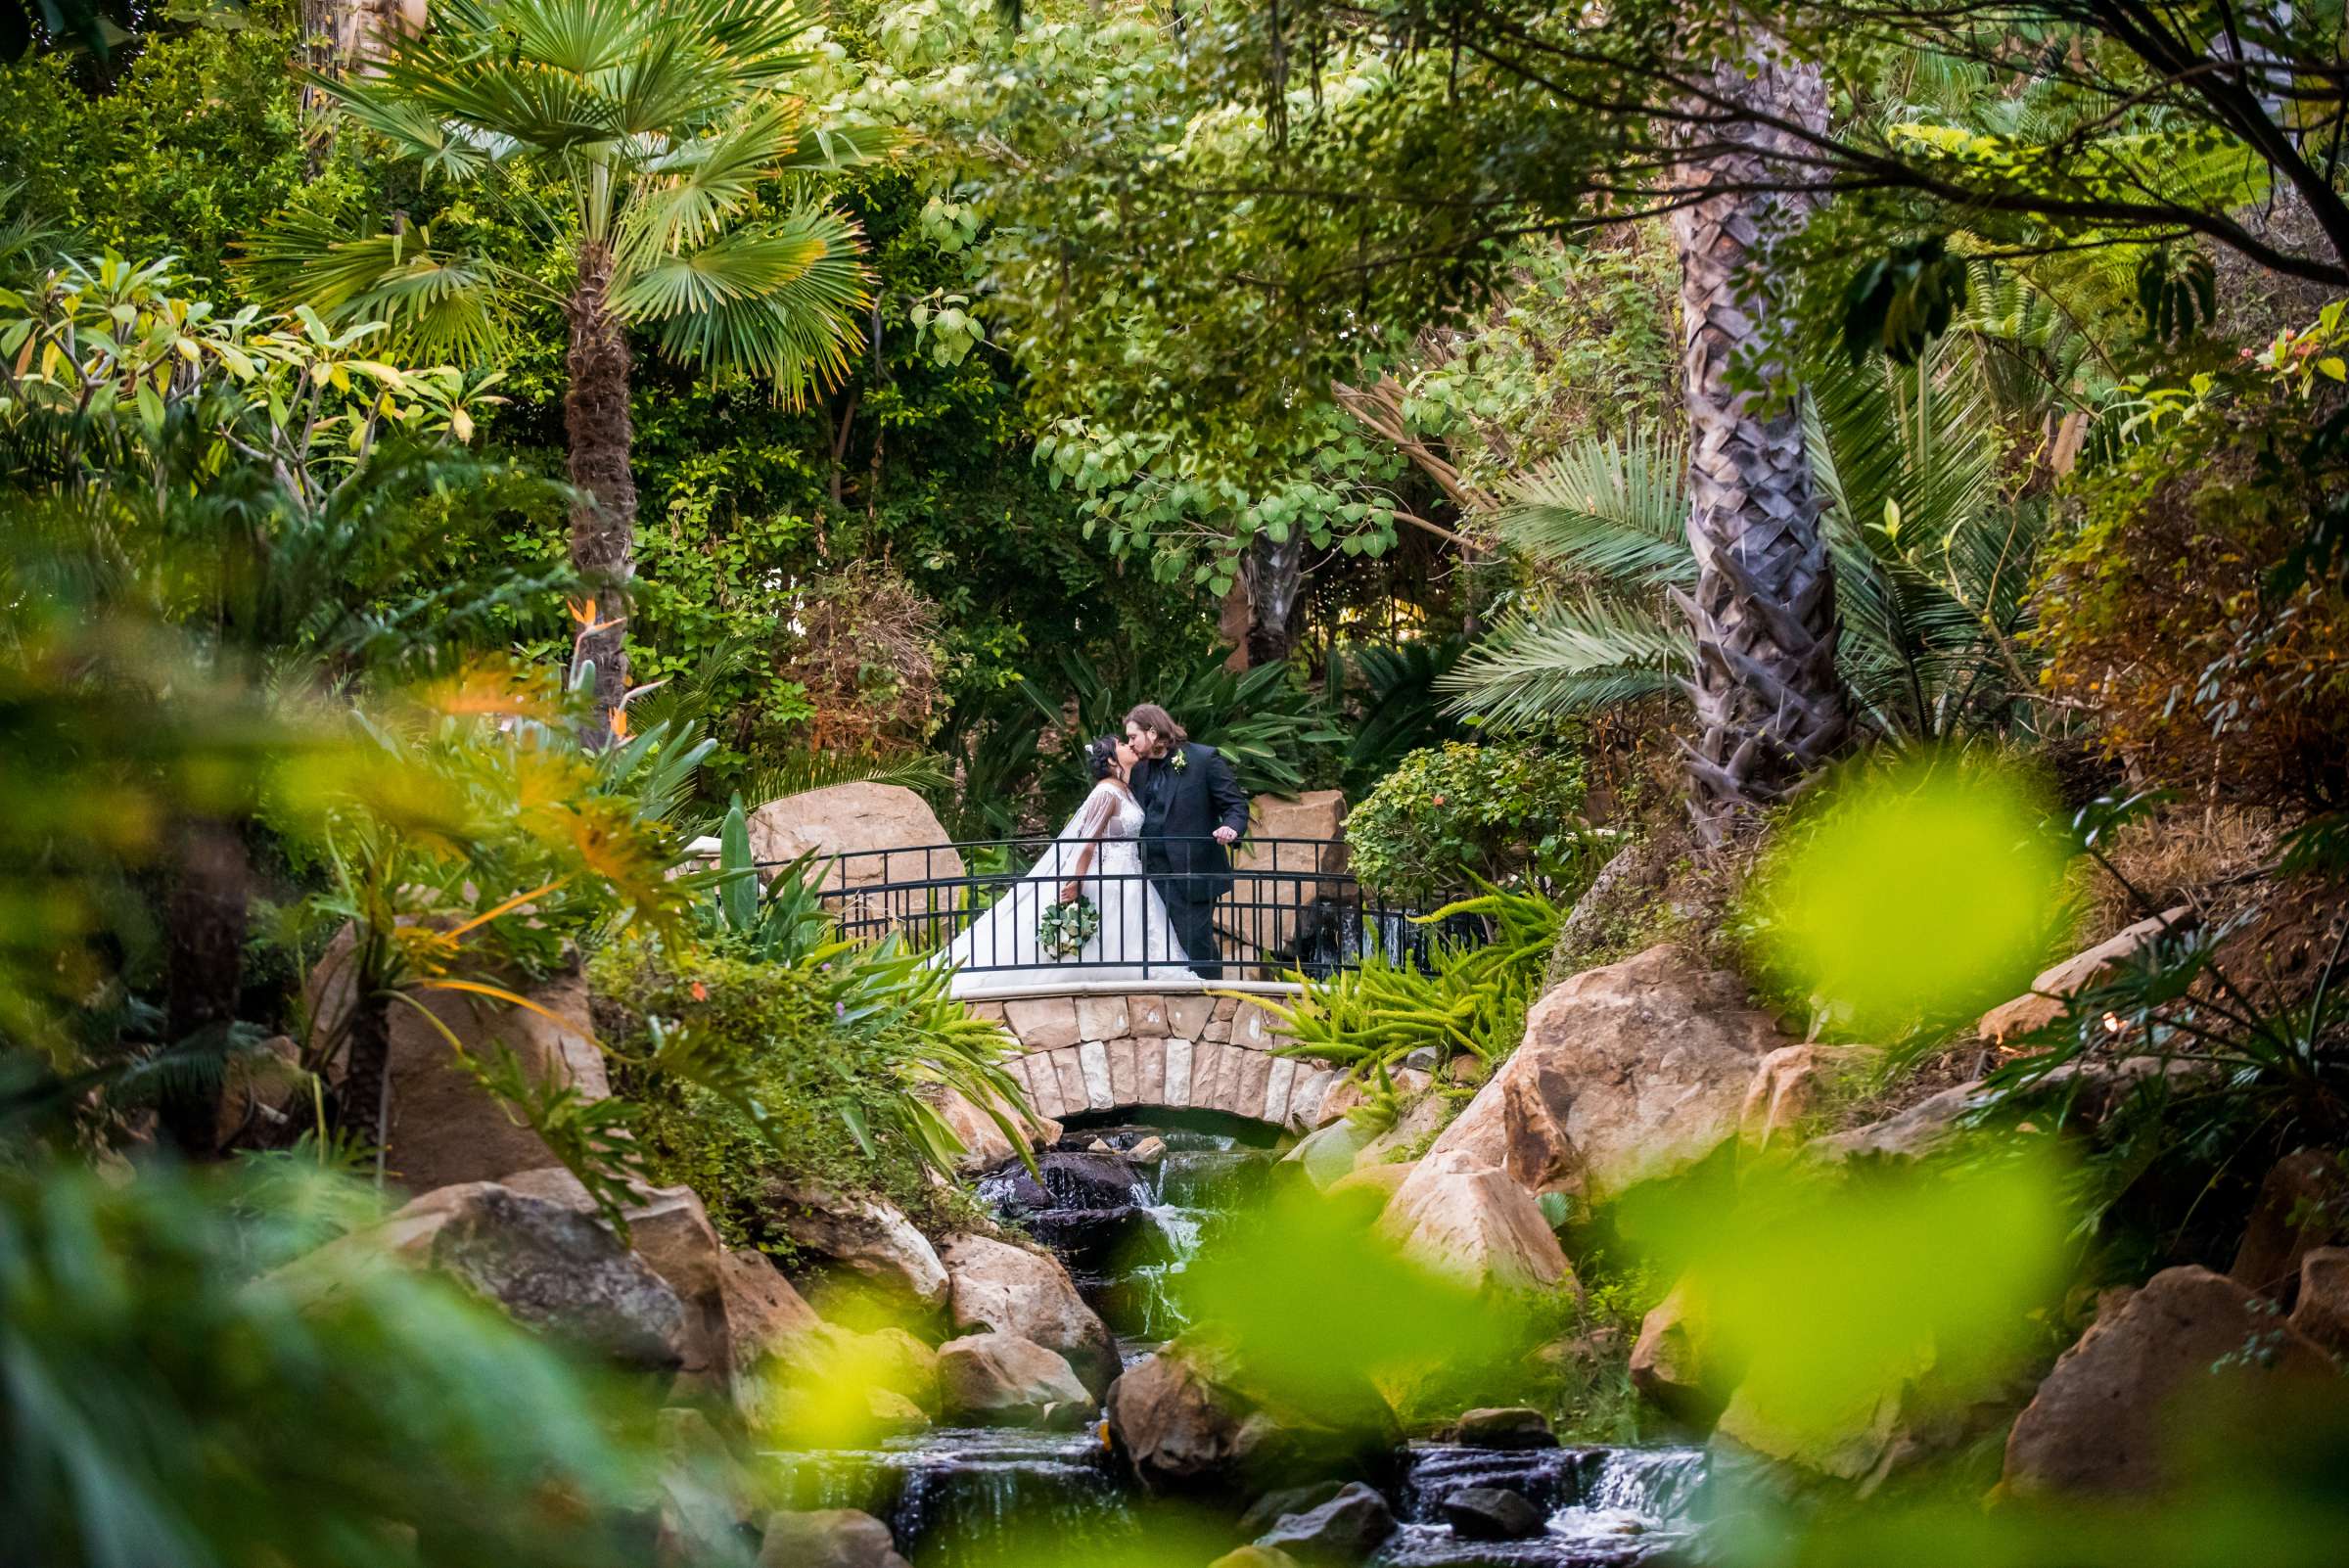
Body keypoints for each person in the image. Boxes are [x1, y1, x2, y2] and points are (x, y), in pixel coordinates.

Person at [932, 735, 1193, 996]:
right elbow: (1088, 842)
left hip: (1129, 873)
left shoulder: (1124, 789)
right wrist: (1078, 880)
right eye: (1123, 744)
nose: (1130, 745)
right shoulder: (1106, 792)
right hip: (1107, 875)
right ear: (1113, 759)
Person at [1124, 702, 1250, 980]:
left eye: (1133, 737)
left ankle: (1214, 999)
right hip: (1149, 872)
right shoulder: (1140, 769)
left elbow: (1235, 807)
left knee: (1195, 941)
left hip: (1192, 871)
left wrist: (1230, 828)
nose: (1130, 744)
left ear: (1153, 733)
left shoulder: (1204, 760)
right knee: (1158, 943)